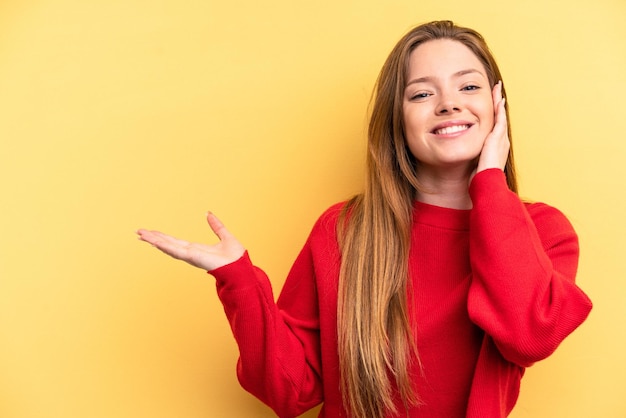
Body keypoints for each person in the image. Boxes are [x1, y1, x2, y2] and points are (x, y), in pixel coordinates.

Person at [137, 20, 592, 418]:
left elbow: (529, 335)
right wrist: (238, 279)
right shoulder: (345, 230)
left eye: (469, 86)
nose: (449, 103)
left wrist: (490, 179)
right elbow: (290, 392)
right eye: (421, 93)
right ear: (398, 119)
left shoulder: (544, 231)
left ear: (498, 106)